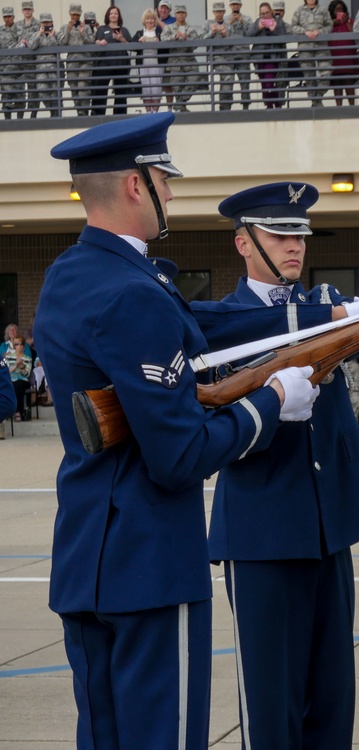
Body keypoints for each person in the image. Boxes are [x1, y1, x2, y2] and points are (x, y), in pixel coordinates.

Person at [34, 112, 326, 750]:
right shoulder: (136, 292)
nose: (171, 193)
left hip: (89, 556)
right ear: (136, 185)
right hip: (151, 561)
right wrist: (274, 400)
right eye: (165, 181)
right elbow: (180, 454)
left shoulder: (72, 274)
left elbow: (199, 333)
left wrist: (336, 317)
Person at [209, 182, 359, 750]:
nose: (294, 247)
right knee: (270, 700)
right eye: (279, 235)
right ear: (242, 243)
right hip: (260, 533)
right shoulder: (221, 323)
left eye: (300, 235)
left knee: (332, 699)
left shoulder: (331, 312)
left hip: (327, 530)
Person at [161, 4, 204, 113]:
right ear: (175, 14)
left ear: (186, 14)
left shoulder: (191, 28)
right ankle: (181, 107)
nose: (181, 15)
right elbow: (163, 39)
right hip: (175, 62)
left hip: (189, 60)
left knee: (194, 79)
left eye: (183, 13)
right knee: (177, 87)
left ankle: (180, 103)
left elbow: (195, 45)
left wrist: (187, 39)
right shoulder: (169, 28)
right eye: (179, 13)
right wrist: (174, 37)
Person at [91, 6, 132, 116]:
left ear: (119, 16)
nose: (113, 15)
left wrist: (121, 39)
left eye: (116, 13)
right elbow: (96, 41)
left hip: (121, 64)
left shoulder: (124, 30)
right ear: (108, 16)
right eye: (111, 13)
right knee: (101, 90)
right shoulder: (102, 29)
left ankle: (120, 116)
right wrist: (101, 43)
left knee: (120, 92)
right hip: (105, 64)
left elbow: (131, 45)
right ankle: (97, 115)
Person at [290, 0, 332, 106]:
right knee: (309, 76)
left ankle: (318, 96)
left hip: (321, 46)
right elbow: (293, 27)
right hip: (305, 48)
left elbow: (329, 25)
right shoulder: (299, 11)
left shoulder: (323, 10)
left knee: (326, 73)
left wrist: (320, 32)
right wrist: (304, 32)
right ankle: (315, 102)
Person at [57, 3, 95, 116]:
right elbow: (62, 43)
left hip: (85, 60)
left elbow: (91, 42)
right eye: (73, 15)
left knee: (83, 86)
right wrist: (68, 30)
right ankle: (79, 111)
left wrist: (82, 33)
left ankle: (84, 111)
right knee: (73, 87)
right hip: (71, 61)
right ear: (70, 14)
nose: (75, 17)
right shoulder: (64, 27)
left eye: (77, 15)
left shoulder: (86, 27)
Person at [249, 0, 288, 108]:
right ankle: (274, 105)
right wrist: (258, 28)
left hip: (273, 58)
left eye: (267, 12)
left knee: (268, 83)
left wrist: (273, 29)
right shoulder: (258, 21)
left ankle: (272, 106)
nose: (265, 15)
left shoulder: (279, 22)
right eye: (263, 13)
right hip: (259, 58)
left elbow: (284, 39)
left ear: (271, 11)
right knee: (264, 85)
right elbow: (248, 35)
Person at [224, 0, 255, 109]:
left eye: (237, 4)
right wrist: (229, 23)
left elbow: (252, 33)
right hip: (229, 55)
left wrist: (243, 23)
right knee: (228, 82)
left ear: (241, 5)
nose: (235, 6)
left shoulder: (247, 19)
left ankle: (246, 107)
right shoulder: (225, 19)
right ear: (230, 6)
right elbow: (222, 35)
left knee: (245, 82)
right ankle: (227, 107)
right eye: (233, 4)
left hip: (243, 55)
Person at [133, 9, 164, 112]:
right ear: (144, 20)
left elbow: (166, 46)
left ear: (155, 20)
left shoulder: (159, 32)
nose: (150, 21)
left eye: (152, 18)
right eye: (147, 18)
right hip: (143, 65)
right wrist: (139, 41)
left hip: (156, 64)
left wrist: (159, 43)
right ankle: (148, 112)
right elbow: (131, 45)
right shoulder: (139, 33)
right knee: (146, 89)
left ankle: (155, 112)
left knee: (156, 89)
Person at [326, 0, 358, 105]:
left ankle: (352, 108)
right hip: (334, 60)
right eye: (337, 9)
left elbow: (355, 33)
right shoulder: (329, 24)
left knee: (349, 83)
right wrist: (332, 24)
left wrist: (346, 21)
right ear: (332, 11)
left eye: (342, 9)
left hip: (348, 59)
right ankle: (339, 109)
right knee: (337, 84)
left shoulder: (350, 21)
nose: (340, 11)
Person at [3, 334, 31, 421]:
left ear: (23, 345)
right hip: (11, 379)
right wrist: (16, 365)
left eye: (21, 344)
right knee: (15, 384)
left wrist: (22, 366)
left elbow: (27, 374)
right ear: (14, 346)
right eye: (16, 344)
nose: (19, 346)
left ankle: (17, 412)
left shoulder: (27, 359)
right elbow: (6, 371)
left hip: (23, 380)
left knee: (18, 384)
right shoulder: (8, 357)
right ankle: (18, 411)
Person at [0, 7, 22, 120]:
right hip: (3, 67)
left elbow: (23, 43)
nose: (7, 19)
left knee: (20, 95)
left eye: (9, 16)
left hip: (17, 68)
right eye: (5, 17)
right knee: (5, 97)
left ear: (13, 16)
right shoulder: (0, 31)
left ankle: (20, 121)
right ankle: (7, 120)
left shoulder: (19, 28)